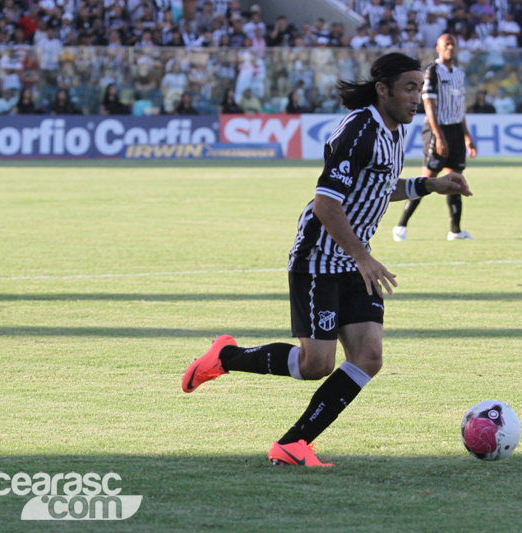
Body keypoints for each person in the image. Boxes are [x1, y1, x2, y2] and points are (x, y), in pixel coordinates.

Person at [181, 52, 471, 468]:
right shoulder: (359, 130)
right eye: (409, 88)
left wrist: (430, 184)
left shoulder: (394, 131)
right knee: (316, 364)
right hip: (319, 257)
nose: (416, 98)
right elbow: (325, 204)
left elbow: (378, 187)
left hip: (353, 256)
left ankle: (293, 443)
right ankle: (224, 358)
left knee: (368, 357)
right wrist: (363, 257)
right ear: (382, 89)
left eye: (419, 89)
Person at [393, 34, 477, 242]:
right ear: (438, 48)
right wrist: (439, 137)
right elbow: (429, 106)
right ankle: (401, 225)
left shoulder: (459, 73)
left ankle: (455, 230)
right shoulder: (432, 72)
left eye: (453, 44)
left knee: (455, 180)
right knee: (427, 179)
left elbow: (459, 108)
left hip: (456, 130)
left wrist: (467, 136)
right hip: (437, 130)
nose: (450, 47)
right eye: (446, 44)